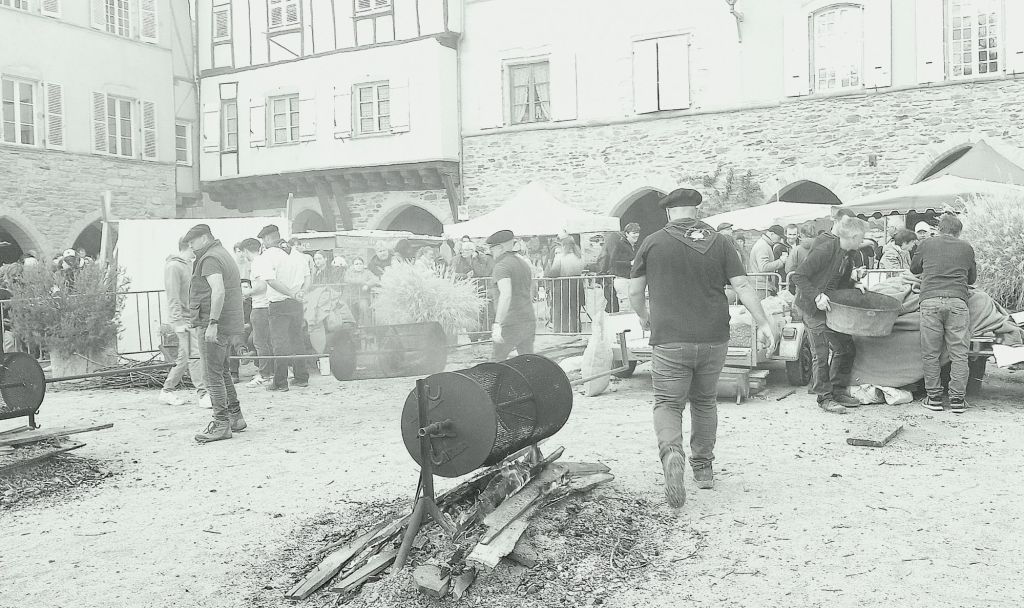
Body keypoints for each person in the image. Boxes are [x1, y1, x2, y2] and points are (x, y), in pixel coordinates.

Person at [629, 188, 777, 507]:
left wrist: (644, 316)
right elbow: (742, 285)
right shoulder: (720, 242)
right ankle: (703, 469)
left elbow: (634, 292)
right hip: (713, 337)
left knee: (668, 403)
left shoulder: (653, 242)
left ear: (669, 212)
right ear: (696, 210)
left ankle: (672, 454)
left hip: (669, 338)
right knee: (705, 402)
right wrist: (763, 322)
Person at [791, 215, 870, 414]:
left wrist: (854, 283)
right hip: (812, 308)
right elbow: (798, 276)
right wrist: (817, 296)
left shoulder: (848, 254)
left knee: (845, 347)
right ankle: (824, 397)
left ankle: (837, 390)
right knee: (821, 353)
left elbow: (839, 281)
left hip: (831, 308)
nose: (862, 241)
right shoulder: (825, 249)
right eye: (861, 238)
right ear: (852, 236)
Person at [183, 224, 246, 443]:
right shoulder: (221, 253)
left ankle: (221, 424)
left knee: (212, 374)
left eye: (192, 241)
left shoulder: (210, 258)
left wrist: (212, 323)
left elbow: (218, 291)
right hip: (225, 322)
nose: (190, 246)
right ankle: (235, 417)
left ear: (204, 238)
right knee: (222, 371)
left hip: (214, 323)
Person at [911, 214, 976, 413]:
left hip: (930, 300)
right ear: (959, 232)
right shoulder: (967, 247)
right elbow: (972, 279)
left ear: (939, 229)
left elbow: (914, 268)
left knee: (931, 353)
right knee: (959, 353)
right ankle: (957, 400)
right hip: (958, 301)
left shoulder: (926, 244)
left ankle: (934, 399)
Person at [254, 224, 311, 392]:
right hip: (296, 303)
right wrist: (300, 292)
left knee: (279, 343)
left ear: (268, 238)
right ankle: (301, 377)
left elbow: (271, 281)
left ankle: (280, 382)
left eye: (263, 240)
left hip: (279, 303)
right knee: (297, 339)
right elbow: (308, 277)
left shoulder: (268, 255)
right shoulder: (297, 254)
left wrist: (291, 293)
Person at [159, 237, 209, 407]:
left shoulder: (187, 265)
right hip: (183, 319)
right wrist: (177, 321)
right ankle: (202, 393)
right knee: (195, 354)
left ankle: (167, 390)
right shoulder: (174, 266)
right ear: (189, 245)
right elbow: (172, 295)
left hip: (190, 317)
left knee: (184, 357)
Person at [488, 229, 536, 361]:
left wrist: (498, 323)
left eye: (492, 249)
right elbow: (531, 290)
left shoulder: (501, 266)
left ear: (500, 248)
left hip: (510, 322)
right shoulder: (523, 264)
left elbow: (506, 295)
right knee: (528, 362)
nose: (491, 253)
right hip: (528, 319)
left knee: (496, 363)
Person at [237, 238, 274, 387]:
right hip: (265, 305)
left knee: (260, 342)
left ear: (246, 250)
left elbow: (262, 285)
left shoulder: (257, 263)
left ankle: (264, 374)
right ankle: (269, 372)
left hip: (260, 306)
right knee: (266, 342)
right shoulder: (264, 261)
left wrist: (247, 293)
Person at [546, 236, 586, 332]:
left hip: (563, 286)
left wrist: (548, 271)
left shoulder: (560, 257)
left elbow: (554, 272)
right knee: (575, 310)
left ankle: (563, 331)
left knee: (562, 311)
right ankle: (575, 330)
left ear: (564, 246)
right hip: (577, 285)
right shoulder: (580, 257)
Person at [604, 223, 641, 313]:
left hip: (633, 279)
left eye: (637, 232)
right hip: (622, 279)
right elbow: (613, 262)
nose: (636, 235)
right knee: (625, 305)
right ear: (627, 234)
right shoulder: (619, 245)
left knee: (634, 306)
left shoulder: (637, 246)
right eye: (634, 233)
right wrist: (630, 263)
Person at [747, 225, 788, 295]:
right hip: (761, 286)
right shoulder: (763, 246)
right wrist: (781, 261)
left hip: (760, 285)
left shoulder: (764, 244)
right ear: (772, 234)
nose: (780, 240)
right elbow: (763, 267)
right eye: (779, 237)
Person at [343, 256, 379, 326]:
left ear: (363, 265)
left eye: (360, 264)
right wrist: (362, 282)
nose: (359, 265)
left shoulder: (367, 272)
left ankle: (366, 327)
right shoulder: (349, 272)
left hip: (363, 297)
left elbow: (375, 279)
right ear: (353, 265)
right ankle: (353, 327)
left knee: (364, 307)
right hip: (351, 297)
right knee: (350, 312)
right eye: (356, 264)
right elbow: (347, 279)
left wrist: (367, 285)